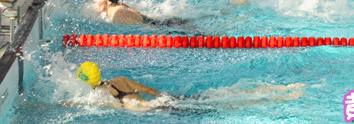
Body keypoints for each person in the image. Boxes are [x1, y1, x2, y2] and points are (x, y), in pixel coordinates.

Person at [75, 61, 304, 111]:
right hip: (166, 99)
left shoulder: (99, 98)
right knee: (214, 97)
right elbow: (149, 90)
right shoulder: (119, 80)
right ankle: (277, 90)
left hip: (159, 109)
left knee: (225, 106)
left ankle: (277, 98)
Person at [92, 0, 190, 30]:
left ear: (109, 1)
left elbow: (147, 28)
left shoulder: (119, 14)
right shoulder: (116, 7)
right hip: (166, 22)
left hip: (171, 27)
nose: (94, 0)